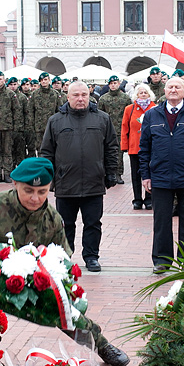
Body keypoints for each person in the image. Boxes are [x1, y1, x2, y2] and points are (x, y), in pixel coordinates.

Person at [0, 157, 128, 366]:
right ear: (15, 184)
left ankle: (101, 346)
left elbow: (62, 262)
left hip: (34, 283)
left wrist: (64, 293)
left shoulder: (52, 219)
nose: (35, 198)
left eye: (42, 192)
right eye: (28, 191)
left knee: (62, 306)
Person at [39, 82, 118, 273]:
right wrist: (48, 178)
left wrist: (111, 172)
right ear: (67, 97)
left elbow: (111, 147)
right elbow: (46, 152)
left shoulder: (102, 119)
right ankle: (65, 257)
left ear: (90, 95)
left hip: (94, 181)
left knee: (93, 223)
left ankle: (91, 257)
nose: (80, 98)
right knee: (65, 224)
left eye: (84, 94)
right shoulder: (56, 121)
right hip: (66, 183)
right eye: (76, 95)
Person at [139, 77, 184, 274]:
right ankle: (162, 260)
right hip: (161, 177)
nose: (173, 90)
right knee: (161, 221)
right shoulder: (152, 115)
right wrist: (145, 175)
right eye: (170, 87)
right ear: (164, 90)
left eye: (177, 87)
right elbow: (144, 149)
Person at [121, 84, 156, 210]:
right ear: (136, 95)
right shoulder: (129, 109)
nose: (143, 94)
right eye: (140, 93)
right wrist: (124, 146)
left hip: (151, 147)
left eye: (145, 92)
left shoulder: (154, 108)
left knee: (150, 173)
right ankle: (137, 199)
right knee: (136, 175)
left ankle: (149, 198)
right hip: (135, 147)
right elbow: (125, 128)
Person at [97, 75, 132, 185]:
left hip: (121, 129)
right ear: (109, 85)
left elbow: (130, 113)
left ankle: (118, 174)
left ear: (119, 84)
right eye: (111, 83)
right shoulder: (104, 98)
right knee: (106, 152)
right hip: (107, 130)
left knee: (119, 153)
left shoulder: (125, 98)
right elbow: (99, 114)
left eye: (115, 83)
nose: (113, 85)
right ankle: (107, 173)